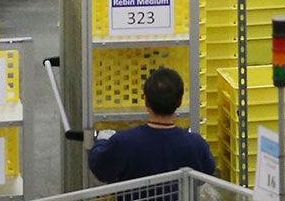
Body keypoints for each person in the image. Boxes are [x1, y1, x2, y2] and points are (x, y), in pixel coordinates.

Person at [88, 67, 216, 183]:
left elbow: (100, 169)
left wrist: (102, 140)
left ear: (146, 100)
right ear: (180, 101)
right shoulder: (196, 144)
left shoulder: (123, 142)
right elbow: (207, 171)